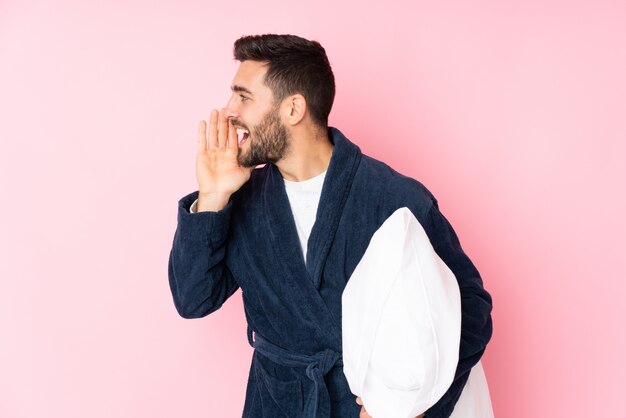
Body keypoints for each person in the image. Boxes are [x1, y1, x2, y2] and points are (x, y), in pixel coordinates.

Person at [167, 34, 493, 418]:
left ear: (293, 109)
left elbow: (472, 310)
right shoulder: (239, 201)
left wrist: (410, 407)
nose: (228, 111)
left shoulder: (394, 198)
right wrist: (212, 197)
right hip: (276, 403)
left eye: (243, 97)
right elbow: (192, 300)